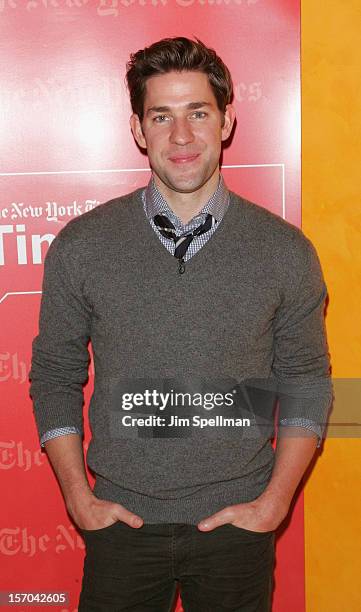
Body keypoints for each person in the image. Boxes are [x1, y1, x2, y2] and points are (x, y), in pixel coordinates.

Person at [29, 37, 332, 612]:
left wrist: (273, 504)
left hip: (237, 529)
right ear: (140, 130)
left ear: (227, 121)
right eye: (161, 116)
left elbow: (308, 383)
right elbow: (54, 376)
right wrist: (79, 499)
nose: (182, 135)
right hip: (119, 524)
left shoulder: (286, 252)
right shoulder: (83, 245)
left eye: (198, 112)